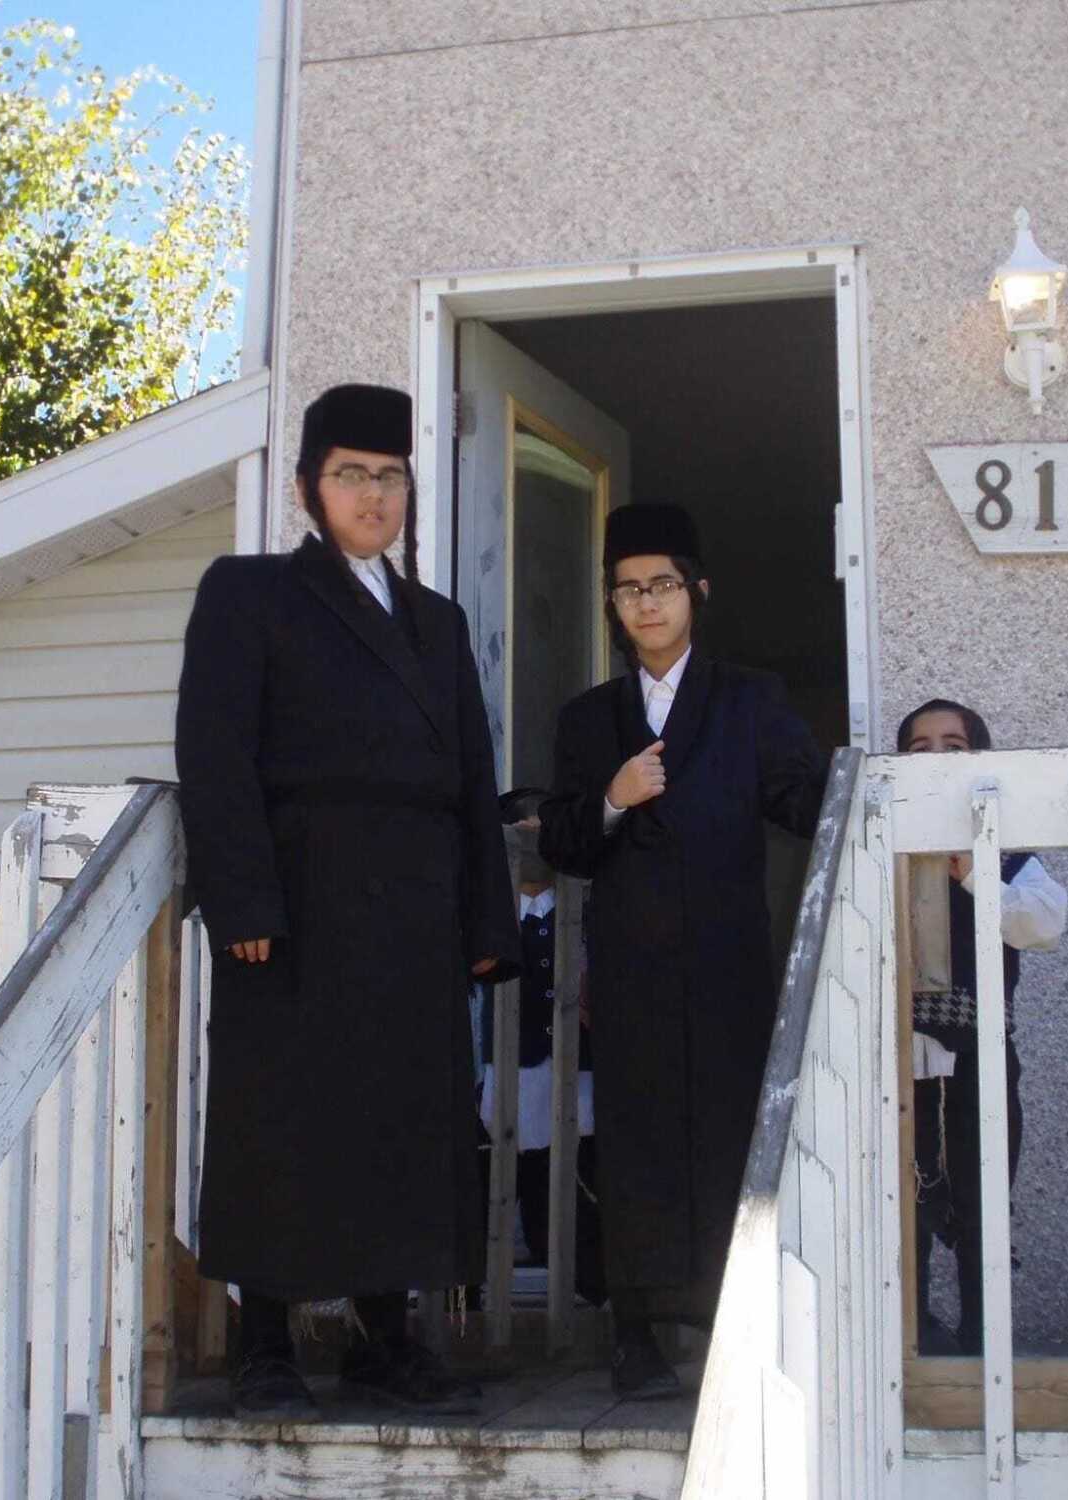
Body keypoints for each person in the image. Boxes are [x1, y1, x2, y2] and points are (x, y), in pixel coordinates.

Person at [173, 383, 520, 1417]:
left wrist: (485, 920)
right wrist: (241, 901)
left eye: (389, 476)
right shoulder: (247, 594)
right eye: (350, 476)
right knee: (277, 1118)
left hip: (413, 909)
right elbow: (214, 751)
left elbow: (471, 773)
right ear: (306, 490)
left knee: (405, 1119)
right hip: (296, 902)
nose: (373, 495)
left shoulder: (436, 620)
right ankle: (264, 1341)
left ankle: (385, 1338)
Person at [539, 503, 829, 1399]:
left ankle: (732, 1323)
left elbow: (806, 801)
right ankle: (635, 1331)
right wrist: (614, 799)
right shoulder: (591, 718)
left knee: (733, 1138)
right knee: (636, 1141)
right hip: (630, 968)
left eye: (662, 584)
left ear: (697, 592)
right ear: (612, 605)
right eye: (627, 589)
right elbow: (561, 841)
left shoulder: (751, 699)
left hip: (730, 958)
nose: (646, 603)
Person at [899, 698, 1068, 1354]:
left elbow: (1042, 924)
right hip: (901, 1059)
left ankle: (981, 1342)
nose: (937, 757)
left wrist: (973, 876)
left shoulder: (1007, 851)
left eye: (954, 745)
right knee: (905, 1201)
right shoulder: (881, 846)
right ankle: (912, 1334)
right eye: (920, 747)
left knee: (982, 1198)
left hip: (982, 1060)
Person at [476, 788, 606, 1305]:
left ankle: (589, 1282)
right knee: (521, 1166)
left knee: (581, 1166)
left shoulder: (583, 908)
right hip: (515, 1067)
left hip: (578, 1066)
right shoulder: (492, 915)